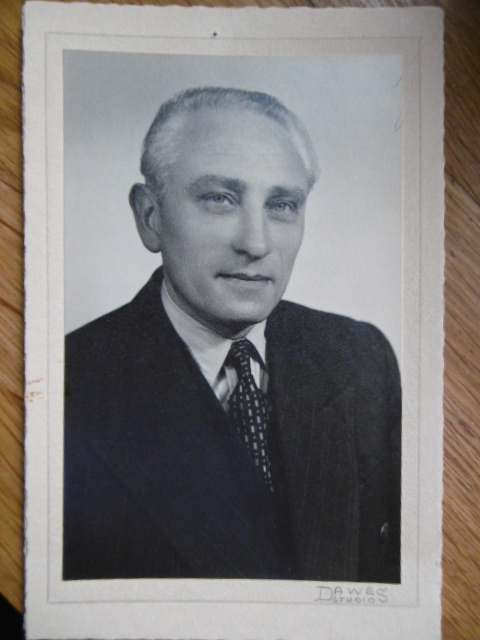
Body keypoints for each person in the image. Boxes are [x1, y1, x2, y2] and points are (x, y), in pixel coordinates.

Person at [63, 87, 401, 583]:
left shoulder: (361, 359)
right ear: (150, 217)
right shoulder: (69, 385)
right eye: (220, 199)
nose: (256, 243)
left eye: (282, 204)